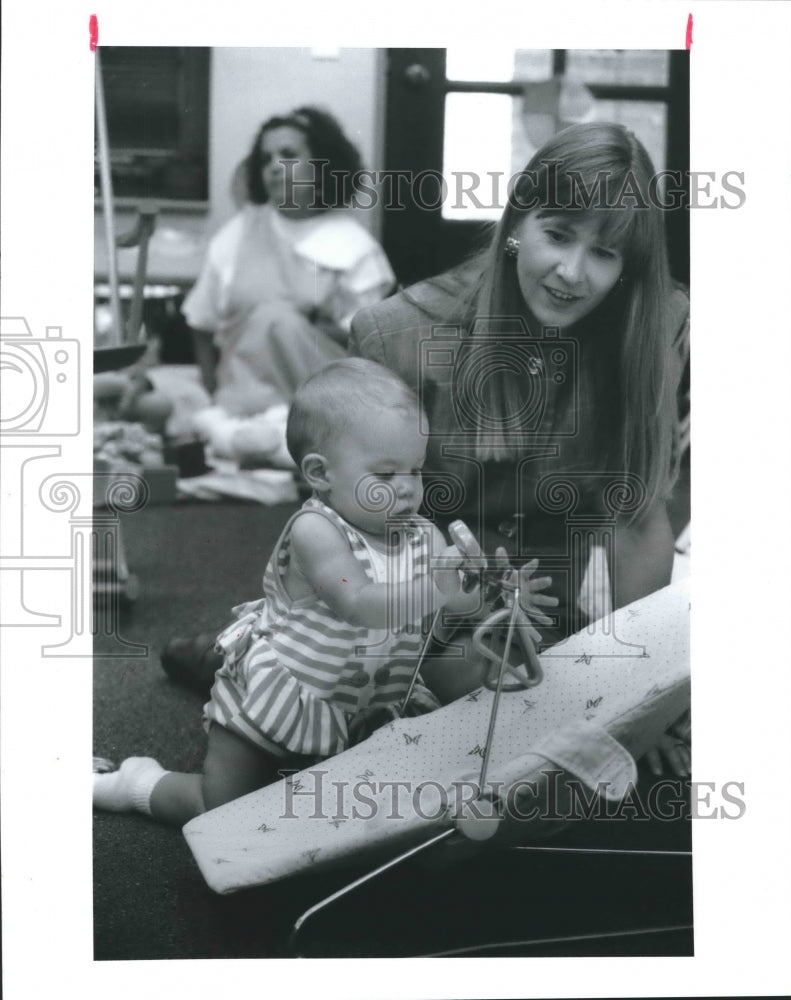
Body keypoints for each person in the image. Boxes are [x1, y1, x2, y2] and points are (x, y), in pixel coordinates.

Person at [349, 122, 691, 776]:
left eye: (605, 252)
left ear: (629, 267)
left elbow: (637, 517)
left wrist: (641, 698)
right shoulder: (394, 336)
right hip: (420, 613)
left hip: (548, 626)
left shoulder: (656, 323)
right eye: (557, 234)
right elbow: (359, 535)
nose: (571, 273)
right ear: (515, 224)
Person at [93, 359, 558, 825]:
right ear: (320, 473)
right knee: (220, 808)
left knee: (345, 797)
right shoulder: (317, 531)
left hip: (368, 700)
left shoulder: (425, 536)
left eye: (415, 471)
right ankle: (131, 783)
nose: (406, 490)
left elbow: (452, 602)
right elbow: (358, 605)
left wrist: (494, 600)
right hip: (287, 692)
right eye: (385, 475)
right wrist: (436, 588)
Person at [182, 106, 395, 417]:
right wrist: (213, 391)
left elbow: (368, 351)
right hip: (241, 409)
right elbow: (201, 321)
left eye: (289, 155)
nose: (275, 167)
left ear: (323, 166)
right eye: (266, 159)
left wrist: (304, 324)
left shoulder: (355, 248)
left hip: (322, 415)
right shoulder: (239, 233)